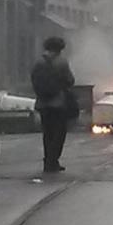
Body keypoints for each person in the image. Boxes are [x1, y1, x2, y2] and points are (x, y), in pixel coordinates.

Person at [31, 37, 75, 173]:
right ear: (60, 48)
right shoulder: (61, 62)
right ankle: (53, 161)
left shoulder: (39, 62)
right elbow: (70, 80)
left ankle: (47, 161)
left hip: (43, 103)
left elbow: (33, 79)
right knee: (59, 133)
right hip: (58, 103)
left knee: (47, 133)